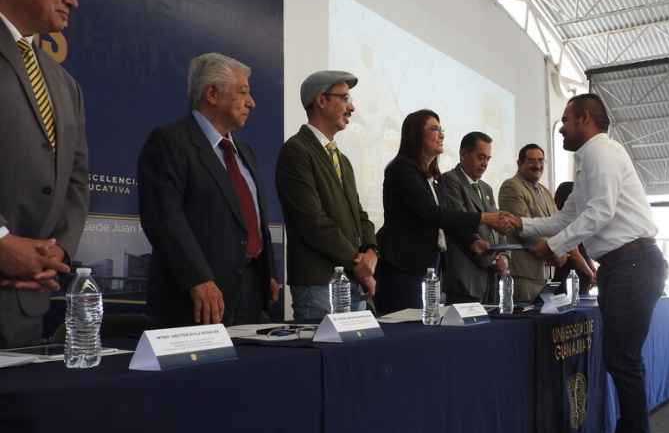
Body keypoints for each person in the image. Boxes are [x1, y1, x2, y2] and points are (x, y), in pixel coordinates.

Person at [503, 94, 665, 433]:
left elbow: (601, 212)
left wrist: (555, 246)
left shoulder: (599, 152)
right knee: (620, 361)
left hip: (632, 264)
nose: (560, 127)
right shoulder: (591, 158)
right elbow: (566, 217)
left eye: (565, 119)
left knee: (624, 362)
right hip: (623, 266)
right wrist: (519, 225)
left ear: (585, 118)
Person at [138, 53, 279, 328]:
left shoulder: (245, 152)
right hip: (195, 301)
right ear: (212, 94)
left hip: (251, 295)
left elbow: (254, 220)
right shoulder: (170, 142)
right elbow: (165, 220)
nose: (251, 102)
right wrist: (198, 279)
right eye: (243, 92)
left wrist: (268, 272)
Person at [0, 0, 88, 348]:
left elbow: (76, 179)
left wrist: (57, 252)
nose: (72, 0)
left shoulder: (66, 84)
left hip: (27, 303)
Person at [375, 110, 512, 315]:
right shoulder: (401, 169)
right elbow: (432, 214)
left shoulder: (430, 176)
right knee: (409, 327)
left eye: (441, 130)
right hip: (404, 268)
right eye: (434, 129)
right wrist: (484, 218)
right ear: (415, 134)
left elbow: (445, 220)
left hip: (428, 267)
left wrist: (472, 241)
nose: (441, 135)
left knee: (426, 326)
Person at [276, 70, 377, 321]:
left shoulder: (343, 160)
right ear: (321, 100)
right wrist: (358, 262)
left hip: (352, 281)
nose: (351, 107)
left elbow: (359, 215)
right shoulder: (296, 151)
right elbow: (312, 222)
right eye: (344, 98)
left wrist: (371, 251)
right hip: (320, 285)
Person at [440, 132, 508, 305]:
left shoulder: (486, 188)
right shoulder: (450, 180)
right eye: (480, 157)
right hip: (465, 278)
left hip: (490, 279)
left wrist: (503, 255)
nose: (485, 163)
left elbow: (497, 225)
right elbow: (460, 225)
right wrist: (490, 259)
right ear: (463, 154)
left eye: (488, 159)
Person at [497, 144, 558, 302]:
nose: (537, 165)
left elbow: (558, 225)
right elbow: (523, 230)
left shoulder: (545, 191)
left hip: (547, 274)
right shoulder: (511, 186)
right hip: (524, 275)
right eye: (531, 161)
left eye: (540, 161)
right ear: (519, 163)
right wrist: (554, 251)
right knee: (526, 316)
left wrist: (560, 248)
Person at [551, 182, 596, 296]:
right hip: (568, 282)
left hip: (579, 280)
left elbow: (583, 252)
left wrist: (593, 271)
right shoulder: (563, 222)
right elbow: (574, 254)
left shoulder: (577, 221)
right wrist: (591, 274)